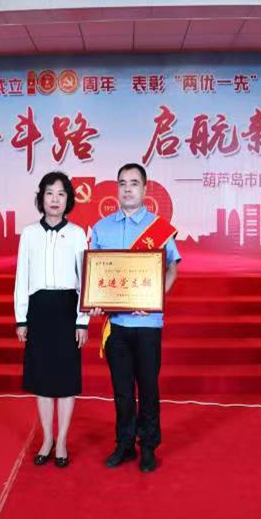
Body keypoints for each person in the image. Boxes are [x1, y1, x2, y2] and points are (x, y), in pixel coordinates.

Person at [89, 163, 180, 473]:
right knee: (122, 390)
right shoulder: (102, 228)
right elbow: (95, 274)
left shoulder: (159, 228)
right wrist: (96, 302)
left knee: (148, 389)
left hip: (148, 325)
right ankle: (125, 444)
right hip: (116, 325)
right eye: (122, 183)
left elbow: (172, 269)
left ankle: (149, 445)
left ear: (144, 189)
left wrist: (154, 300)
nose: (127, 189)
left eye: (134, 183)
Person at [14, 171, 89, 468]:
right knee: (43, 380)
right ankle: (47, 438)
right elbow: (22, 277)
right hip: (39, 311)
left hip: (67, 310)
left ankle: (62, 441)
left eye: (61, 193)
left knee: (67, 381)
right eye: (49, 193)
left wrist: (82, 321)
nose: (55, 199)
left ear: (68, 199)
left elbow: (85, 279)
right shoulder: (29, 233)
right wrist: (21, 319)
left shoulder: (78, 234)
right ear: (41, 198)